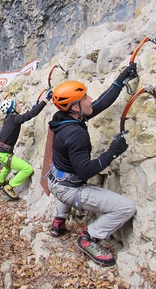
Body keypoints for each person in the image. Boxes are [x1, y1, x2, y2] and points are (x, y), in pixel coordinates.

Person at [47, 63, 138, 267]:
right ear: (76, 107)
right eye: (85, 97)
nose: (90, 99)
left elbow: (99, 105)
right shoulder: (76, 133)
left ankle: (58, 221)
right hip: (70, 189)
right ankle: (89, 237)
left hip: (56, 182)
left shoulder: (63, 118)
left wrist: (120, 81)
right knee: (126, 207)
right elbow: (85, 171)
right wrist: (113, 151)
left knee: (68, 186)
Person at [0, 93, 52, 200]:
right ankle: (9, 187)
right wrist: (46, 100)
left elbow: (26, 115)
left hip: (0, 153)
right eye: (16, 105)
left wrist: (32, 109)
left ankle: (0, 182)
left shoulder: (9, 118)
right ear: (12, 109)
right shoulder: (14, 119)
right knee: (27, 169)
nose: (19, 106)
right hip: (5, 155)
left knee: (7, 167)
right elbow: (30, 115)